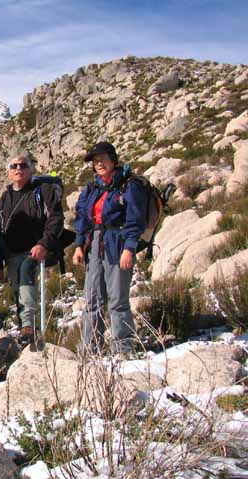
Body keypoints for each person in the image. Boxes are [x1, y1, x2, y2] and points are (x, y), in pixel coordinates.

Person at [72, 141, 147, 355]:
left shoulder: (128, 185)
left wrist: (129, 248)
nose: (99, 164)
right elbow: (82, 218)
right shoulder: (92, 188)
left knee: (117, 298)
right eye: (96, 161)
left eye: (103, 159)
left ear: (113, 160)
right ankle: (90, 348)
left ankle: (123, 347)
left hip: (118, 242)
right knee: (92, 298)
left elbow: (135, 219)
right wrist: (79, 246)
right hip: (95, 243)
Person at [0, 153, 64, 345]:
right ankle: (27, 332)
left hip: (35, 249)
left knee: (26, 273)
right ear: (8, 171)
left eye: (23, 165)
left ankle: (28, 327)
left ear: (30, 169)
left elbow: (56, 218)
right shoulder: (5, 197)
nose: (18, 169)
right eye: (14, 166)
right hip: (12, 252)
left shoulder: (43, 190)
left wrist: (44, 243)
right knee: (18, 290)